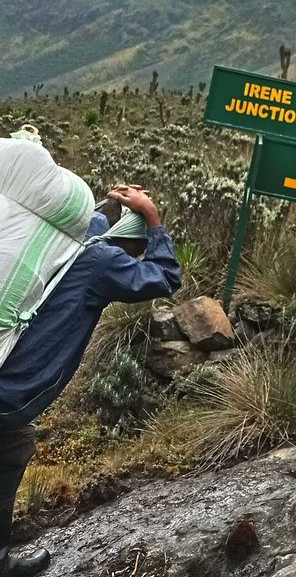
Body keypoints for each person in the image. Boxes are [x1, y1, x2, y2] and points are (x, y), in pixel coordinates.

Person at [0, 185, 181, 576]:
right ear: (127, 242)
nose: (129, 259)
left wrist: (115, 207)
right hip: (8, 393)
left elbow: (99, 224)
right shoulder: (101, 261)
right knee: (10, 449)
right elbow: (166, 277)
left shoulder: (60, 239)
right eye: (133, 251)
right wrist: (153, 219)